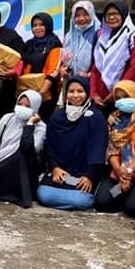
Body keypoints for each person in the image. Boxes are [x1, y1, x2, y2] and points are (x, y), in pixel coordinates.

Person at [93, 81, 135, 218]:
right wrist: (119, 170)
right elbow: (111, 147)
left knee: (134, 209)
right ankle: (126, 193)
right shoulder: (114, 118)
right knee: (102, 203)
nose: (122, 100)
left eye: (126, 96)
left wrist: (129, 171)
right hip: (119, 171)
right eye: (118, 98)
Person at [37, 77, 107, 211]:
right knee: (44, 195)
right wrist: (55, 168)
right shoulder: (57, 116)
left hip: (84, 174)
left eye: (80, 91)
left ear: (87, 92)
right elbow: (49, 145)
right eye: (71, 91)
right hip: (60, 173)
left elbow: (98, 149)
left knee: (81, 200)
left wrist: (89, 176)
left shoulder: (96, 117)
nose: (75, 95)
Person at [0, 90, 46, 208]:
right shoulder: (7, 118)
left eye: (27, 106)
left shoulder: (40, 127)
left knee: (21, 154)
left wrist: (30, 124)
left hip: (19, 168)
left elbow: (30, 148)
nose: (22, 108)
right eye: (20, 104)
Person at [90, 1, 135, 114]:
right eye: (108, 14)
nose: (111, 17)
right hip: (100, 100)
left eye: (116, 14)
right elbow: (95, 68)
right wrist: (94, 93)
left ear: (124, 15)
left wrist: (117, 92)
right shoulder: (102, 39)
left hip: (125, 98)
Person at [20, 12, 64, 121]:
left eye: (41, 24)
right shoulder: (29, 44)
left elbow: (54, 70)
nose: (37, 28)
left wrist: (41, 92)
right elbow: (23, 67)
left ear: (48, 25)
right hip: (28, 92)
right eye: (34, 25)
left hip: (46, 94)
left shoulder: (54, 43)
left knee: (43, 123)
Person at [64, 0, 100, 80]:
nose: (81, 18)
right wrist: (63, 68)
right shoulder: (70, 35)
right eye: (77, 15)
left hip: (92, 80)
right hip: (72, 80)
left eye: (85, 14)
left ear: (92, 14)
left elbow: (102, 62)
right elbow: (64, 56)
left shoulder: (99, 34)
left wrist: (89, 75)